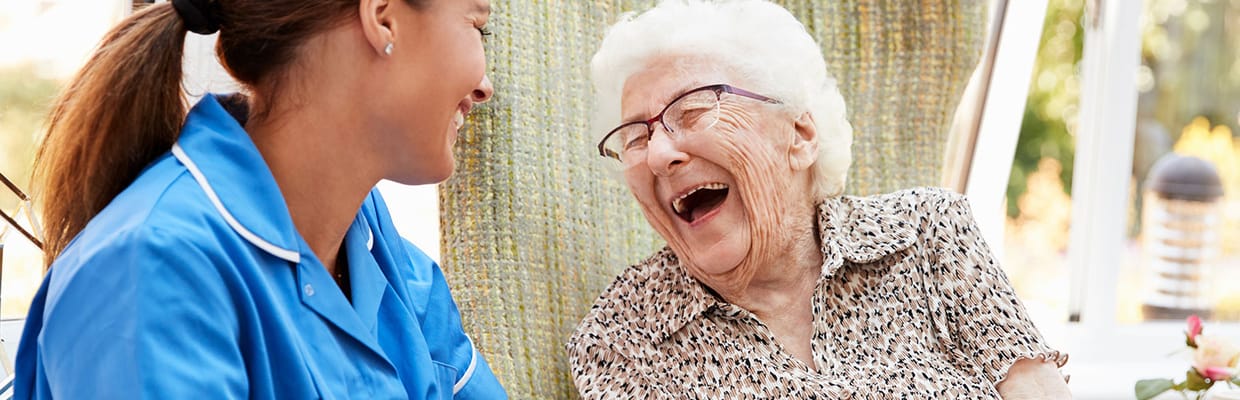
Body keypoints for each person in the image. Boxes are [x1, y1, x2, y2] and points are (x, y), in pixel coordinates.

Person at [567, 0, 1072, 398]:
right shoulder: (623, 337)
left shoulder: (927, 232)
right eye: (635, 136)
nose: (657, 154)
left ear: (800, 136)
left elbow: (1036, 392)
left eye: (694, 109)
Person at [15, 0, 506, 398]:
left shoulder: (373, 245)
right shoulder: (149, 270)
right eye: (476, 26)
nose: (484, 88)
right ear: (383, 17)